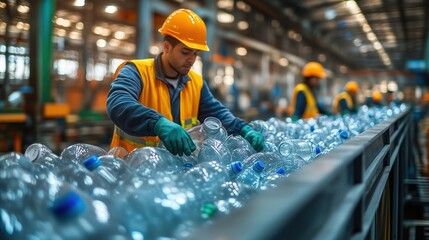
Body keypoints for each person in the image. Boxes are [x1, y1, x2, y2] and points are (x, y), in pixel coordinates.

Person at [106, 8, 264, 156]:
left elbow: (216, 113)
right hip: (130, 168)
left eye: (196, 54)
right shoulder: (137, 72)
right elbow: (118, 103)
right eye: (185, 52)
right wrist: (158, 123)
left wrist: (242, 128)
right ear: (167, 47)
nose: (191, 60)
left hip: (171, 170)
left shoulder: (196, 83)